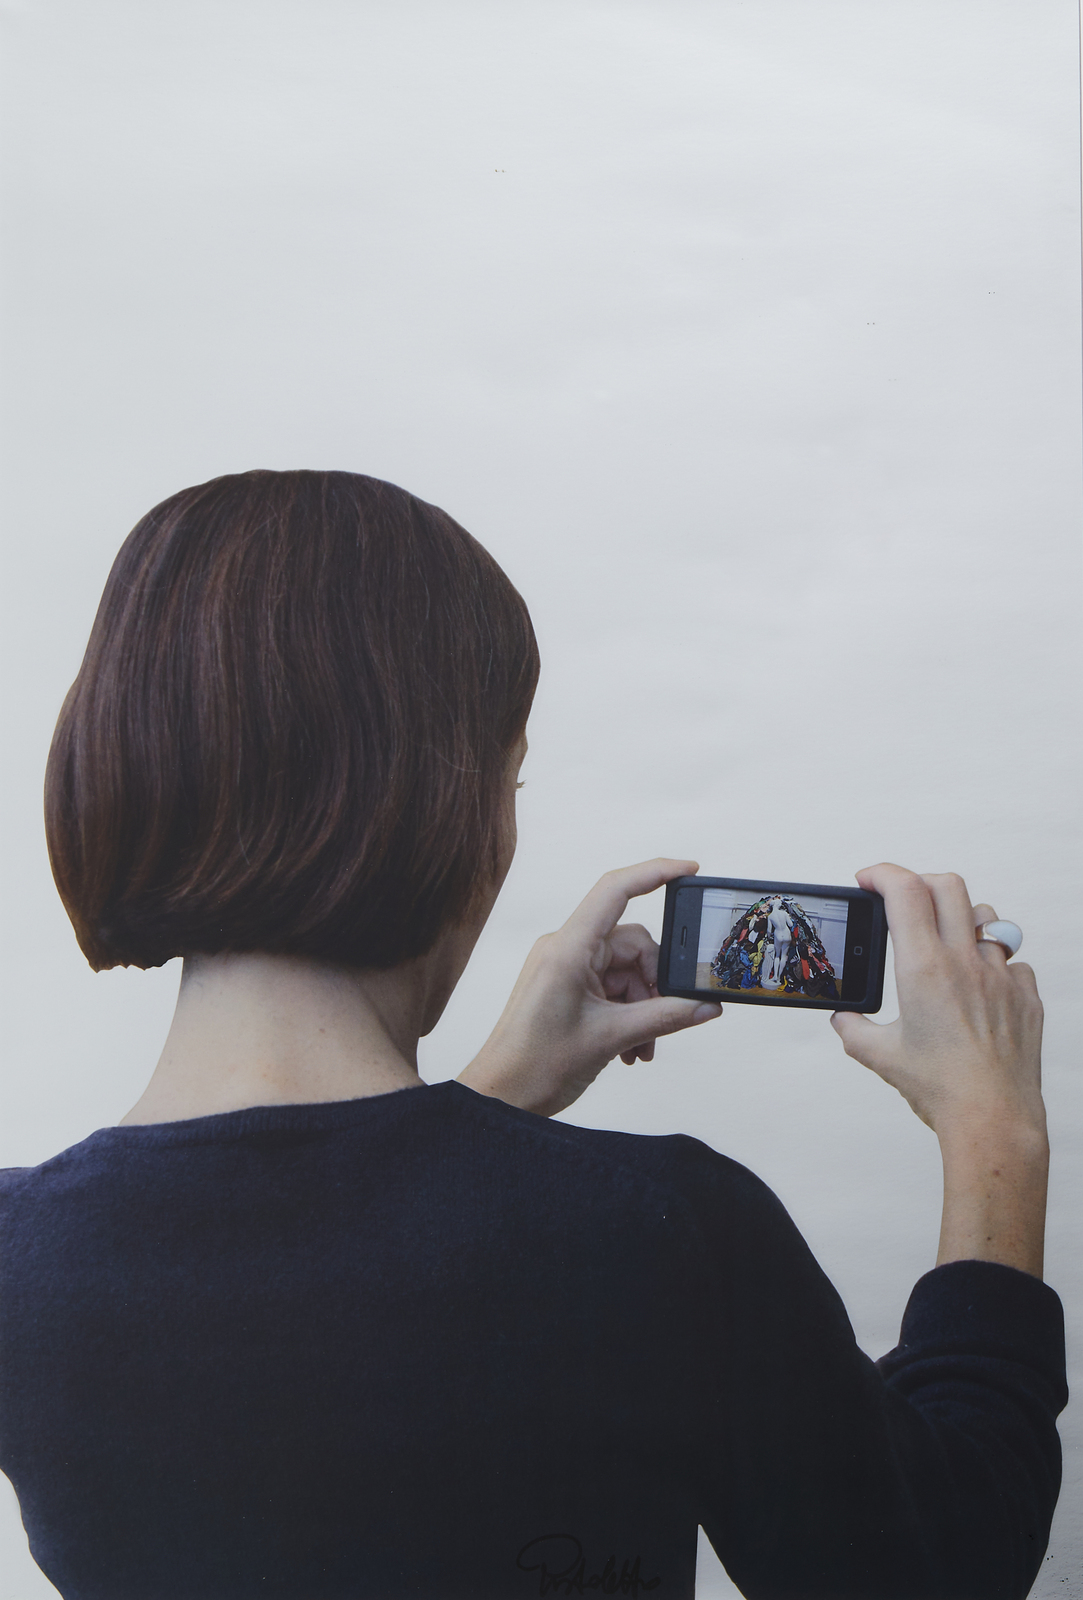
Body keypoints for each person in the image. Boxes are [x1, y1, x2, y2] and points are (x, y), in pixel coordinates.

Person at [0, 469, 1064, 1600]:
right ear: (449, 810)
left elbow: (315, 1331)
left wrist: (489, 1100)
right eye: (507, 780)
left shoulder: (23, 1259)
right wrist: (995, 1128)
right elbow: (944, 1567)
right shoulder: (656, 1231)